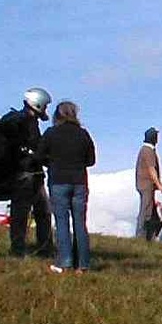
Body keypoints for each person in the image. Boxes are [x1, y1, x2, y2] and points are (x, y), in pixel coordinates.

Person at [38, 101, 96, 273]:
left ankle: (65, 262)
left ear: (58, 115)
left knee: (62, 222)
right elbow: (91, 160)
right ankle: (83, 264)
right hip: (79, 181)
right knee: (80, 223)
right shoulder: (83, 134)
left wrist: (51, 162)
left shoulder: (51, 133)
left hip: (58, 180)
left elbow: (39, 156)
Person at [0, 87, 54, 258]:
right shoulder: (28, 122)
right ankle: (40, 249)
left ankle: (20, 248)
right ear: (37, 103)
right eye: (44, 106)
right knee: (39, 213)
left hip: (22, 173)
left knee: (22, 213)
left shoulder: (19, 121)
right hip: (28, 174)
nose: (45, 110)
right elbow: (36, 148)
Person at [135, 127, 162, 241]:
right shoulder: (148, 151)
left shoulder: (146, 150)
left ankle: (152, 236)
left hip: (144, 184)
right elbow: (151, 169)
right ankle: (141, 237)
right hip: (146, 185)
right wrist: (159, 185)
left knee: (153, 214)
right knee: (146, 211)